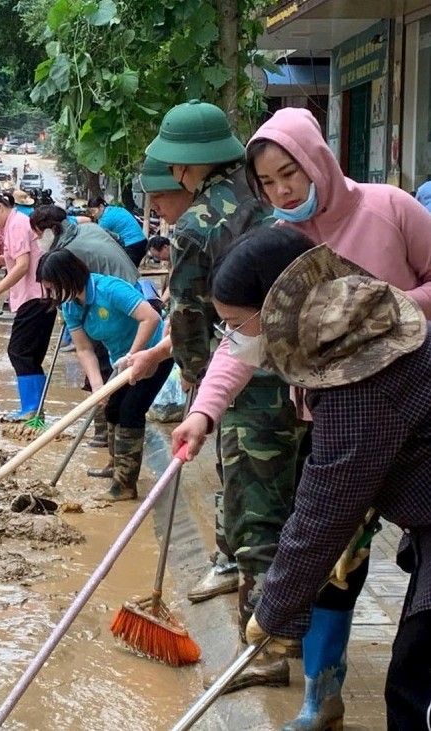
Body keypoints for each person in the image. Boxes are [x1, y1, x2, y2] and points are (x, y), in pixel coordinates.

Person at [173, 106, 431, 725]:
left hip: (381, 406)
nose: (283, 190)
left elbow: (323, 507)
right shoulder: (281, 242)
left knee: (411, 670)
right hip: (372, 424)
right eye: (268, 182)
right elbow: (242, 341)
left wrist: (270, 611)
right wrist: (203, 413)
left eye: (291, 173)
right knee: (342, 571)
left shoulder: (389, 210)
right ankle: (322, 692)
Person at [131, 99, 295, 689]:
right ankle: (296, 630)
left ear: (179, 168)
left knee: (256, 516)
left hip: (249, 387)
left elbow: (191, 322)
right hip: (306, 378)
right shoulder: (269, 200)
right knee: (297, 507)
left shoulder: (196, 224)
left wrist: (203, 399)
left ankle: (265, 650)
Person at [40, 250, 169, 501]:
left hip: (154, 353)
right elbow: (84, 348)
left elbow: (150, 318)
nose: (52, 295)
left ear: (68, 277)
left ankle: (125, 485)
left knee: (131, 411)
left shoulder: (110, 289)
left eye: (54, 287)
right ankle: (116, 465)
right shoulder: (70, 305)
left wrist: (134, 355)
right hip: (119, 360)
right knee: (111, 408)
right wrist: (99, 386)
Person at [30, 204, 142, 448]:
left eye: (39, 234)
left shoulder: (70, 251)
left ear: (53, 229)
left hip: (118, 300)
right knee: (99, 367)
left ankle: (102, 431)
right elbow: (116, 239)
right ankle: (105, 430)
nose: (37, 240)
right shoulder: (83, 228)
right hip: (122, 287)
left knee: (104, 368)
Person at [0, 189, 52, 421]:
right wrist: (4, 260)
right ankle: (35, 409)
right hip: (39, 295)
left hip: (33, 296)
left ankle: (30, 408)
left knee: (18, 352)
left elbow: (23, 265)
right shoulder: (14, 224)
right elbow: (21, 261)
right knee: (30, 355)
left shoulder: (17, 224)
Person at [85, 196, 147, 267]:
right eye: (91, 212)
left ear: (101, 207)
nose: (93, 215)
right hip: (141, 241)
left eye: (93, 211)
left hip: (131, 245)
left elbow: (97, 236)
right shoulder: (114, 209)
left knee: (126, 273)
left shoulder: (106, 219)